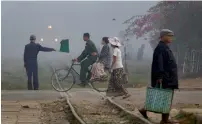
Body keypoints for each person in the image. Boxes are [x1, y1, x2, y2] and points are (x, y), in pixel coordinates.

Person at [139, 29, 179, 124]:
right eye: (169, 35)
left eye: (172, 36)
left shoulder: (164, 47)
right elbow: (159, 64)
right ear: (163, 36)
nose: (171, 38)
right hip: (165, 78)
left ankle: (148, 111)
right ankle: (163, 120)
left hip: (168, 77)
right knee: (166, 97)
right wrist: (160, 76)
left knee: (165, 97)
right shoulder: (161, 48)